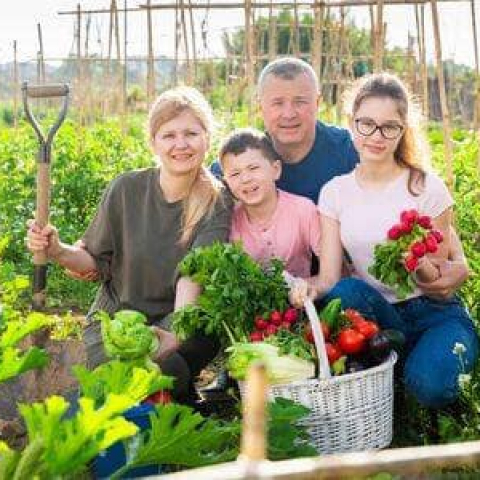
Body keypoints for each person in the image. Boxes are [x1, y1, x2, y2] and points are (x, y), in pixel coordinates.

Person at [26, 86, 233, 405]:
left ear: (207, 138)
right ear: (153, 142)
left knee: (176, 358)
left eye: (191, 133)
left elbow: (192, 277)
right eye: (169, 135)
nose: (181, 144)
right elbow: (93, 261)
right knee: (108, 387)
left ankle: (172, 390)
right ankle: (167, 393)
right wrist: (57, 250)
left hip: (175, 316)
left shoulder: (216, 202)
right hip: (116, 317)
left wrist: (174, 336)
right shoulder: (127, 189)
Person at [212, 57, 469, 299]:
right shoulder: (246, 160)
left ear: (317, 102)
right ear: (260, 106)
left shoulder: (348, 149)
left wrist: (458, 261)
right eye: (277, 103)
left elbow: (413, 199)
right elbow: (204, 205)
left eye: (300, 101)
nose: (289, 113)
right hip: (290, 290)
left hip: (340, 285)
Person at [302, 72, 478, 407]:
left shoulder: (426, 187)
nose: (376, 136)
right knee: (344, 291)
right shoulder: (335, 193)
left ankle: (428, 358)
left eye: (389, 127)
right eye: (366, 123)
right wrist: (304, 287)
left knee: (426, 388)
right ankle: (396, 363)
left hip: (434, 312)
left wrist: (418, 262)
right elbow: (328, 278)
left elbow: (438, 282)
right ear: (351, 124)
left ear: (402, 130)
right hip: (377, 317)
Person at [219, 128, 320, 279]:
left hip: (302, 297)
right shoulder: (228, 221)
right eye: (235, 174)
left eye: (253, 168)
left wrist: (308, 288)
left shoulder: (303, 210)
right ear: (226, 182)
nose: (245, 179)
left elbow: (332, 270)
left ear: (275, 170)